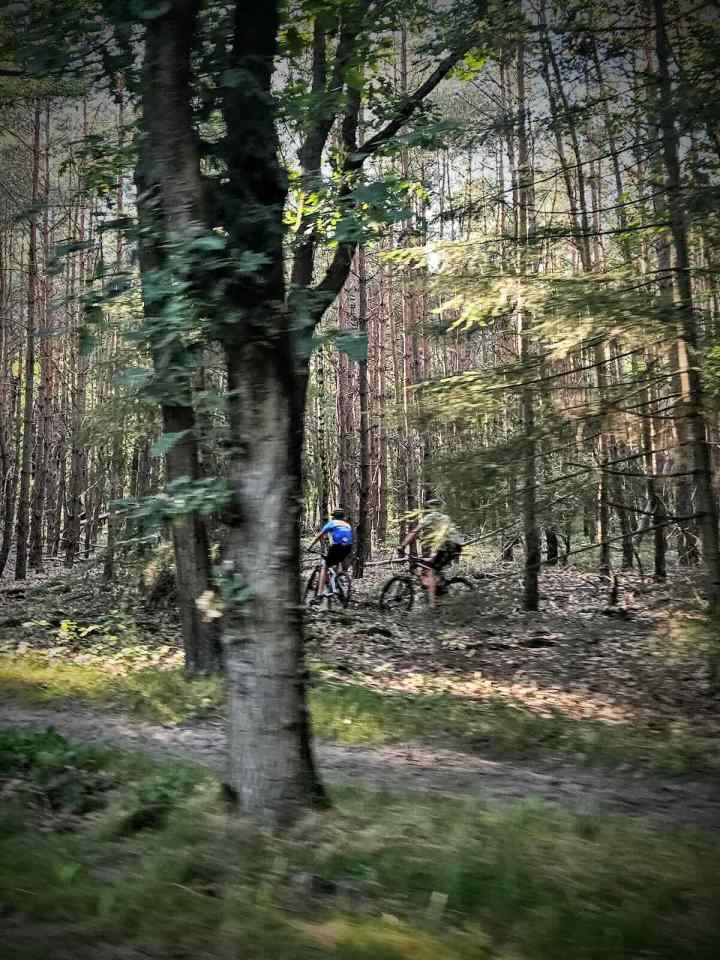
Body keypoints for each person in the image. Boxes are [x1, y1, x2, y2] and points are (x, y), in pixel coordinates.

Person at [398, 498, 462, 608]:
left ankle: (433, 604)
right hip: (454, 546)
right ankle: (439, 589)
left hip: (448, 546)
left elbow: (414, 532)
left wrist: (403, 545)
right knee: (431, 565)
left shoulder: (430, 516)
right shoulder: (445, 517)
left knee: (431, 570)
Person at [307, 509, 353, 602]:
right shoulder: (347, 525)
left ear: (333, 517)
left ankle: (319, 594)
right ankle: (338, 580)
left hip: (337, 547)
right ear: (343, 517)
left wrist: (310, 547)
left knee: (324, 566)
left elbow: (319, 536)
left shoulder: (332, 523)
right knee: (337, 561)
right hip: (348, 547)